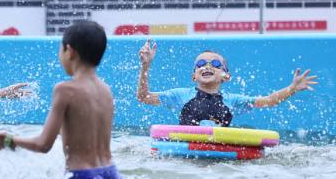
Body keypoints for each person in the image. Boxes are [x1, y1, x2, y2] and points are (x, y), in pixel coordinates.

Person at [0, 21, 121, 179]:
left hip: (82, 176)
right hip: (112, 173)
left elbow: (43, 145)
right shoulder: (105, 90)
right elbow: (81, 133)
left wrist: (9, 138)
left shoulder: (64, 90)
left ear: (70, 52)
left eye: (60, 50)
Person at [136, 39, 318, 126]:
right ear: (194, 76)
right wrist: (146, 65)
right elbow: (143, 97)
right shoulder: (181, 95)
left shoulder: (233, 100)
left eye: (215, 64)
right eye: (200, 64)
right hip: (186, 152)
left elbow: (270, 100)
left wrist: (293, 88)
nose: (207, 66)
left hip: (221, 154)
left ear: (226, 76)